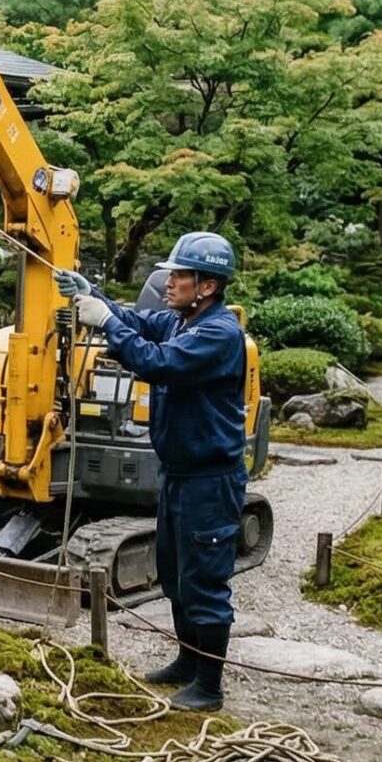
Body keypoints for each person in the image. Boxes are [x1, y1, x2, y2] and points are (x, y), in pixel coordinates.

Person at [54, 231, 248, 712]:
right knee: (176, 573)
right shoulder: (183, 321)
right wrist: (91, 296)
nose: (168, 281)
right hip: (179, 473)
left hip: (210, 477)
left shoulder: (217, 334)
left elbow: (156, 363)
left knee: (204, 578)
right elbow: (137, 320)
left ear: (206, 285)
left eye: (179, 275)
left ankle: (209, 684)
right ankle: (187, 661)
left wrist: (105, 325)